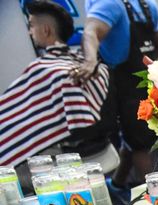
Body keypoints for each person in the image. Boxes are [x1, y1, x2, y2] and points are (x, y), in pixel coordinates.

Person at [0, 1, 110, 176]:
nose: (30, 31)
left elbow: (13, 116)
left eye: (31, 26)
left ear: (45, 30)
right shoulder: (89, 65)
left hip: (69, 159)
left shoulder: (44, 70)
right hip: (103, 148)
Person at [73, 0, 158, 186]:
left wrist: (90, 61)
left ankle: (157, 195)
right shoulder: (146, 5)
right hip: (153, 81)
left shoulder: (109, 3)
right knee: (138, 140)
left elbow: (90, 31)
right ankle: (120, 184)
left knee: (140, 145)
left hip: (133, 86)